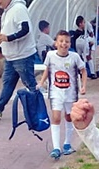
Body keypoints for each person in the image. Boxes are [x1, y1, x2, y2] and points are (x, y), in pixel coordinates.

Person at [0, 0, 39, 120]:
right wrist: (0, 50)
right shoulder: (6, 12)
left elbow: (25, 30)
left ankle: (38, 111)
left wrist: (8, 38)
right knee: (8, 84)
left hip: (22, 56)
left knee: (30, 84)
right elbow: (5, 34)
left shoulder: (19, 9)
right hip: (10, 57)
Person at [37, 30, 86, 160]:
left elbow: (83, 70)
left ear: (70, 44)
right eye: (61, 41)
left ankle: (67, 144)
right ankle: (56, 148)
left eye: (67, 41)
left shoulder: (74, 57)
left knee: (69, 117)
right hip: (56, 92)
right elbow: (47, 69)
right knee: (56, 117)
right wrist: (41, 82)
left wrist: (83, 86)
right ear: (56, 43)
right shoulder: (50, 56)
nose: (64, 44)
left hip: (71, 92)